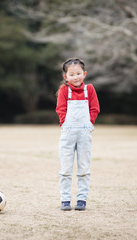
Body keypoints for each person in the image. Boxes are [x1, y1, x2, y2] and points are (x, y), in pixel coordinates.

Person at [56, 58, 100, 211]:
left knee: (83, 168)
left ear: (84, 74)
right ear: (65, 77)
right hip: (68, 134)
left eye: (78, 73)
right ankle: (65, 200)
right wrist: (64, 123)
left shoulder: (90, 90)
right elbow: (60, 109)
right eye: (72, 74)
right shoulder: (64, 90)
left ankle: (82, 199)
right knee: (66, 169)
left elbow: (94, 108)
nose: (75, 77)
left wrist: (90, 122)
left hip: (84, 134)